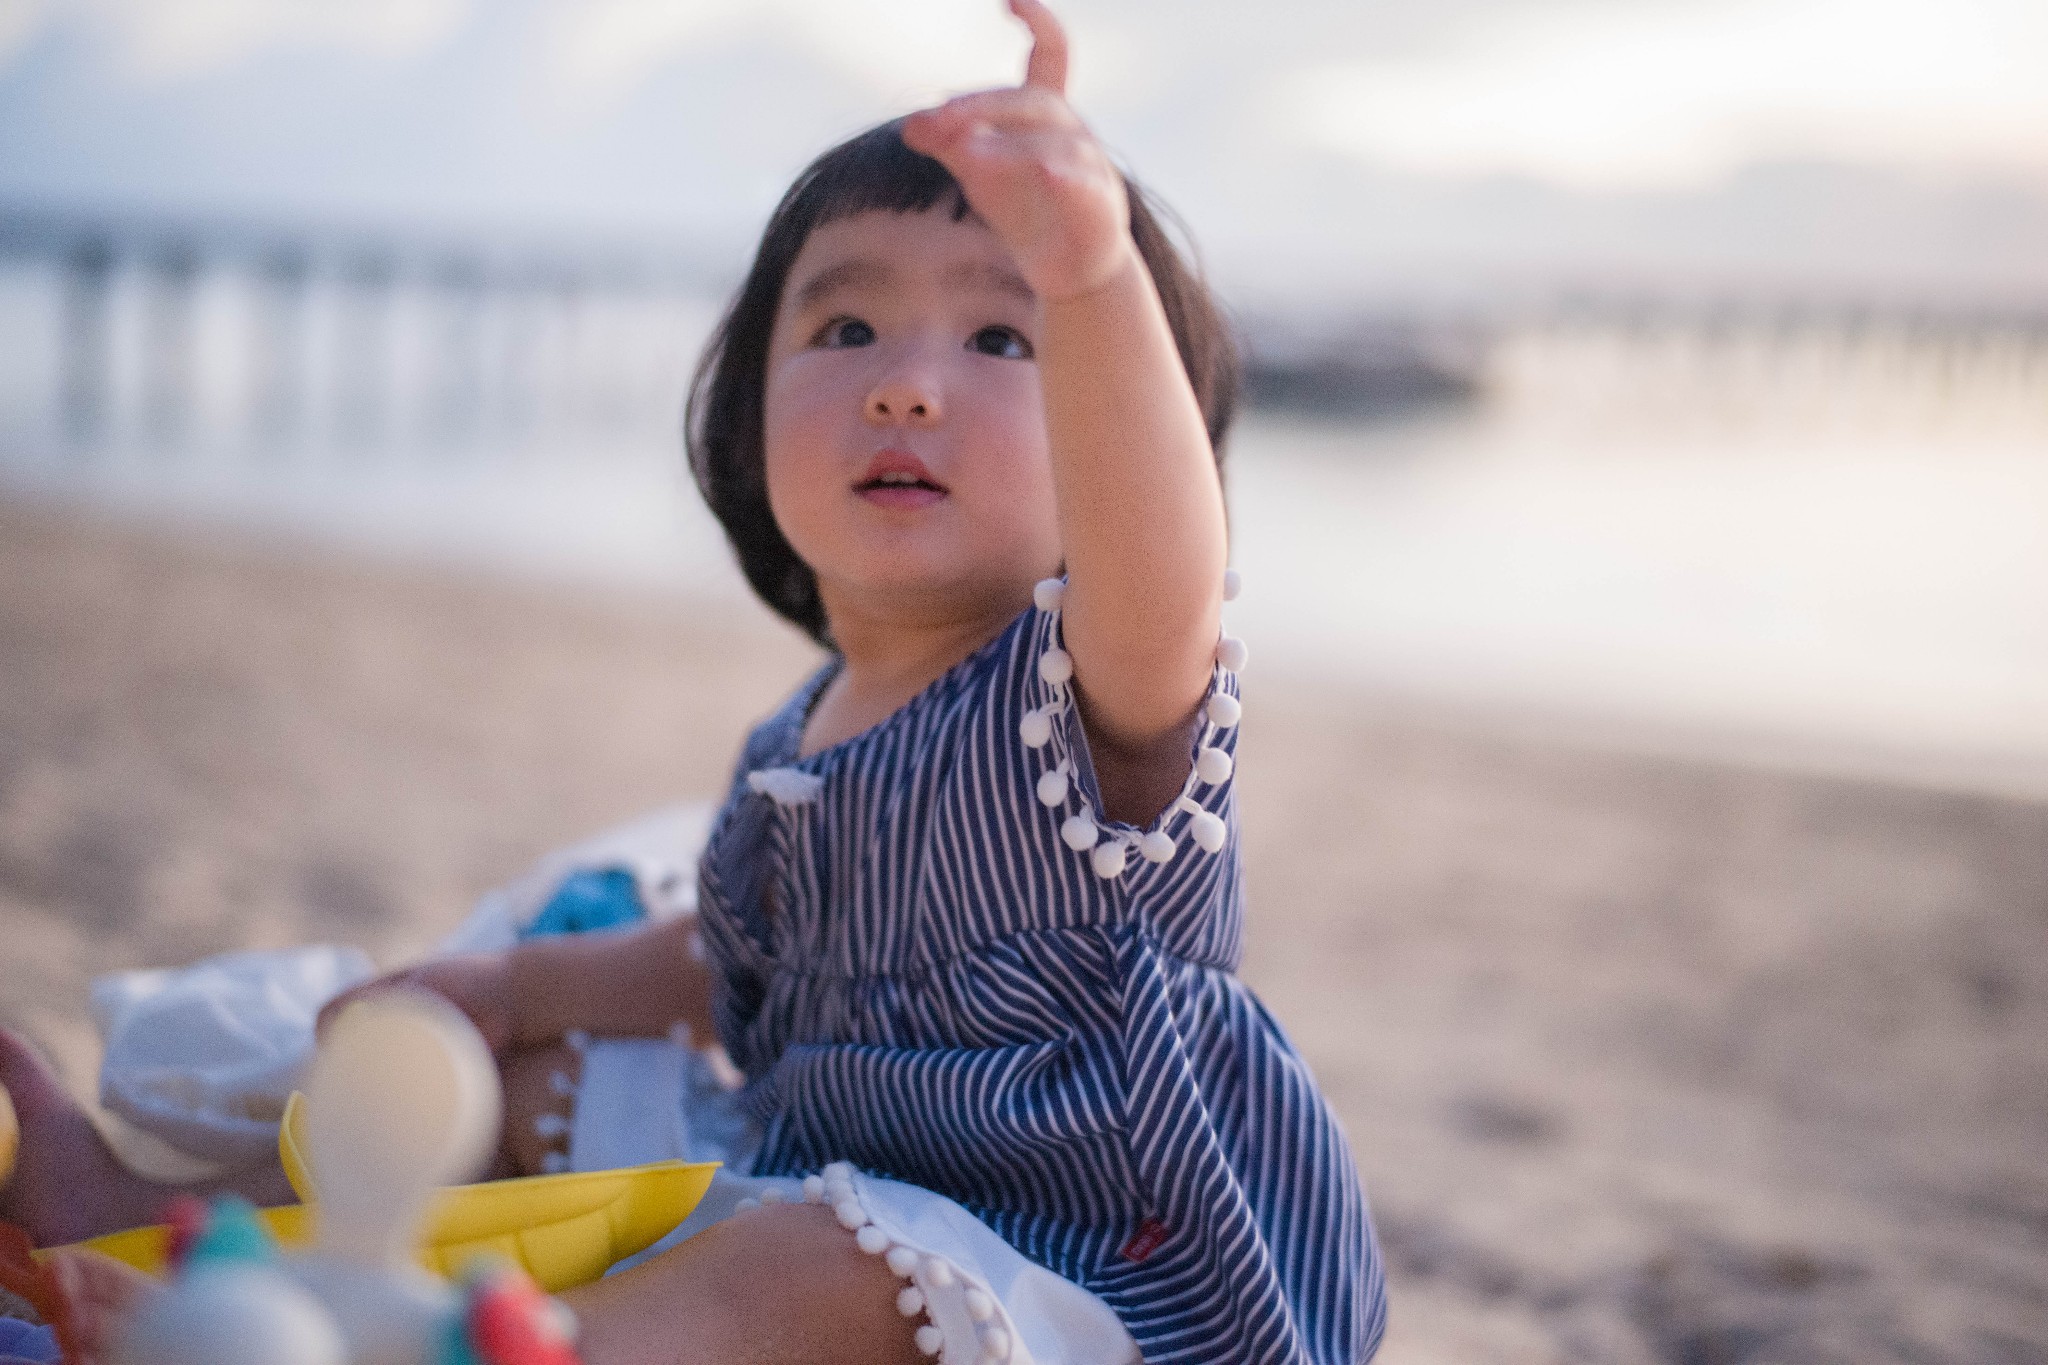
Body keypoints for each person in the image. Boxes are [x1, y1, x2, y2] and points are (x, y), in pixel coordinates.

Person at [1, 3, 1384, 1360]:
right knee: (532, 1092)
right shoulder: (797, 744)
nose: (906, 385)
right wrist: (516, 986)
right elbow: (726, 964)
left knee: (813, 1257)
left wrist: (1093, 279)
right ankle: (184, 1237)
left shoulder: (1086, 700)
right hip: (823, 1184)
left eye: (1002, 340)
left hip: (1088, 1274)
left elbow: (1165, 564)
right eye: (845, 331)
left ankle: (474, 1346)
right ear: (745, 407)